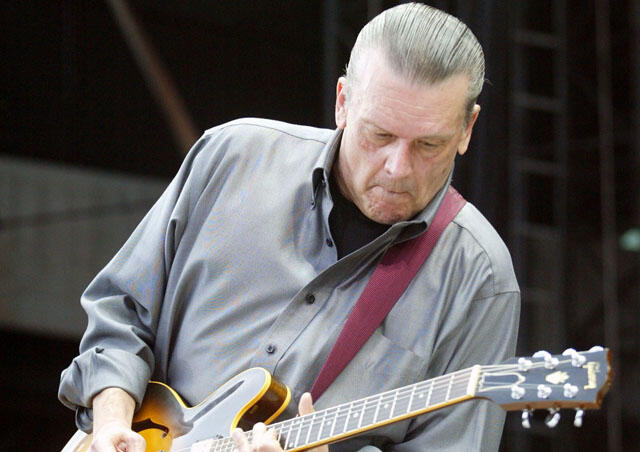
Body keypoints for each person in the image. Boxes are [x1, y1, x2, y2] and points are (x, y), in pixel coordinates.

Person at [59, 3, 520, 451]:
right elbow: (121, 308)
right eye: (379, 135)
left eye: (428, 145)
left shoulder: (480, 278)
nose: (398, 168)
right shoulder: (233, 157)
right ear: (342, 102)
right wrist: (112, 419)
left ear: (466, 129)